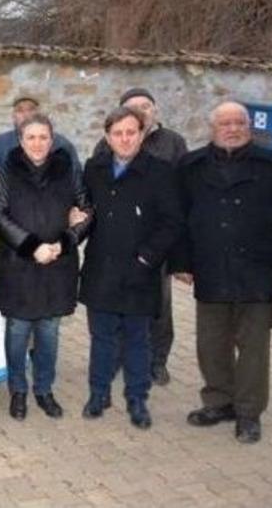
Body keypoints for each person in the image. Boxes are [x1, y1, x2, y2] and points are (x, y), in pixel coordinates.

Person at [176, 101, 272, 444]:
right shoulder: (191, 166)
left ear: (249, 127)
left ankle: (248, 412)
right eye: (225, 123)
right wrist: (181, 262)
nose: (232, 129)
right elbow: (181, 217)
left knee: (253, 347)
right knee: (211, 343)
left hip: (258, 269)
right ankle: (219, 401)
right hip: (211, 267)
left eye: (239, 123)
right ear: (212, 128)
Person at [80, 107, 183, 430]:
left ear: (141, 134)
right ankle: (98, 393)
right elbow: (84, 210)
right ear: (107, 137)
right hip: (102, 267)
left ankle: (137, 398)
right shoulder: (94, 168)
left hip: (140, 269)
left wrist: (147, 258)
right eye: (117, 133)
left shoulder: (161, 171)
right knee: (101, 337)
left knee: (138, 339)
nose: (124, 139)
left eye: (130, 132)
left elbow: (172, 222)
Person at [0, 114, 91, 421]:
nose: (37, 143)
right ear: (21, 140)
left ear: (52, 139)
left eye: (43, 137)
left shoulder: (68, 169)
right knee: (18, 330)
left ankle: (44, 389)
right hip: (18, 263)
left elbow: (86, 210)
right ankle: (18, 390)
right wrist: (32, 246)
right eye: (30, 137)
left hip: (57, 264)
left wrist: (65, 242)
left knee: (49, 330)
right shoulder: (7, 169)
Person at [92, 87, 188, 386]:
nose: (140, 111)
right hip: (116, 242)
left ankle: (157, 361)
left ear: (155, 110)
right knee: (117, 301)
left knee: (158, 305)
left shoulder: (172, 142)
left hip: (155, 243)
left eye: (146, 106)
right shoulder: (104, 146)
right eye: (133, 107)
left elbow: (183, 192)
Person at [0, 97, 80, 175]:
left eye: (31, 109)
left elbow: (76, 177)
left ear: (39, 113)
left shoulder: (61, 145)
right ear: (13, 116)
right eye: (20, 110)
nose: (26, 115)